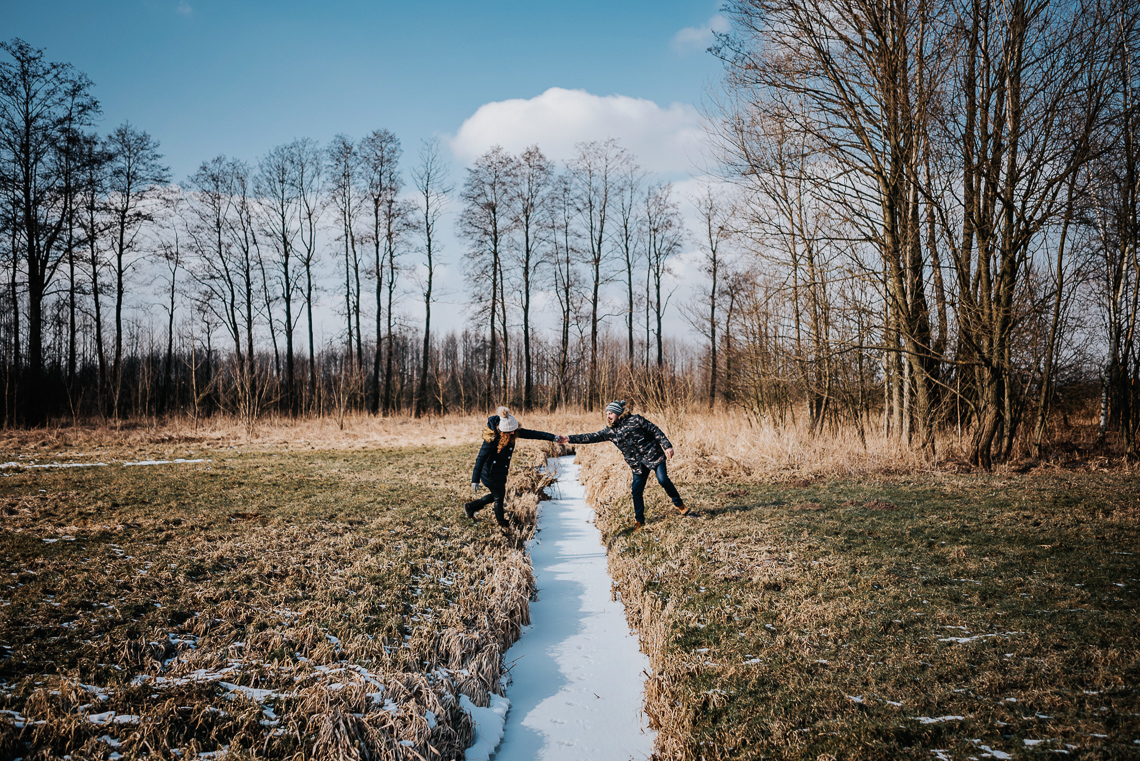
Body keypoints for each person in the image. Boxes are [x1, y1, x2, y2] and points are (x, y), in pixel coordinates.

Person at [562, 399, 691, 531]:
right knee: (636, 491)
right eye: (607, 414)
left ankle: (680, 505)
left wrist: (667, 446)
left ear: (618, 413)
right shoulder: (611, 432)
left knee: (663, 479)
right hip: (638, 465)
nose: (608, 416)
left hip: (654, 456)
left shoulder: (636, 420)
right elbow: (590, 437)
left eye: (611, 413)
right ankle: (639, 521)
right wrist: (569, 439)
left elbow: (655, 430)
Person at [466, 406, 558, 528]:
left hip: (500, 471)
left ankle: (471, 507)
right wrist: (475, 479)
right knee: (499, 497)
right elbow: (480, 459)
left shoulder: (512, 430)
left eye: (515, 430)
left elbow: (534, 434)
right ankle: (502, 523)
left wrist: (553, 437)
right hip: (490, 472)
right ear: (502, 431)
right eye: (510, 432)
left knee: (497, 495)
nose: (513, 433)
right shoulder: (491, 439)